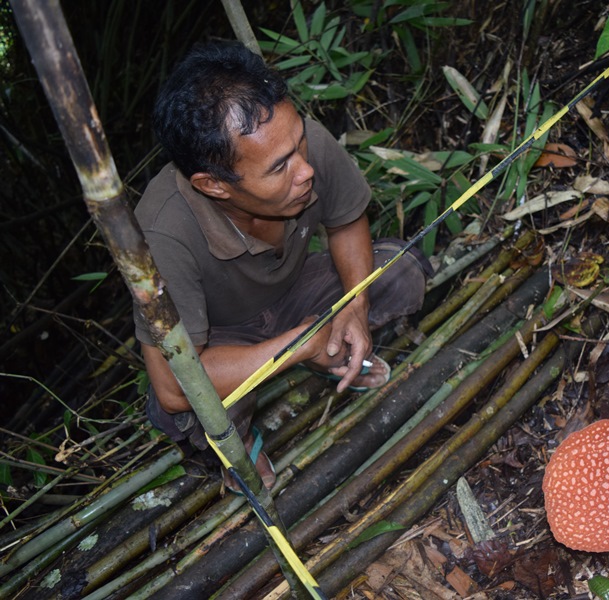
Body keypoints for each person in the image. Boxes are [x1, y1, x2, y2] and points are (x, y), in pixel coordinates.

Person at [133, 41, 430, 491]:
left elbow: (347, 221)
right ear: (214, 185)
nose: (304, 170)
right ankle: (245, 435)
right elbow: (175, 385)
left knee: (402, 270)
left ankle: (325, 344)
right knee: (191, 408)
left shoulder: (300, 147)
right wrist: (295, 346)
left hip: (295, 292)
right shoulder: (160, 235)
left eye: (299, 144)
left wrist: (354, 303)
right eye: (278, 168)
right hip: (219, 340)